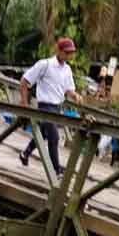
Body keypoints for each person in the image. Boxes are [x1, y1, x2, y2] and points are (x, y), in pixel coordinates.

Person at [18, 37, 84, 176]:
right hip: (45, 107)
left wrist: (75, 95)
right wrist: (24, 103)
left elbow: (68, 89)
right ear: (58, 50)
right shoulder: (45, 64)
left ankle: (25, 153)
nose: (68, 56)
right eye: (66, 52)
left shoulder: (67, 70)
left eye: (71, 53)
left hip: (57, 108)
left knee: (42, 134)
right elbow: (24, 81)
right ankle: (56, 170)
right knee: (54, 137)